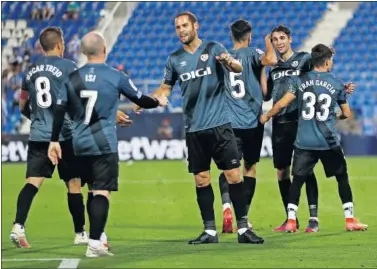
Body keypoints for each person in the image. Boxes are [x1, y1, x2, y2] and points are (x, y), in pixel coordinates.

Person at [138, 12, 264, 244]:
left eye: (185, 25)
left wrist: (228, 61)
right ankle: (210, 231)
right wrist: (155, 99)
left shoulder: (214, 48)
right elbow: (165, 88)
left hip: (220, 125)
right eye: (177, 27)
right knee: (201, 180)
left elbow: (237, 68)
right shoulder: (174, 59)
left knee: (234, 176)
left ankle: (243, 229)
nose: (181, 30)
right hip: (195, 129)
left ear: (195, 26)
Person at [48, 31, 168, 257]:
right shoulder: (115, 76)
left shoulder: (72, 78)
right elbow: (141, 99)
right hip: (103, 145)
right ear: (105, 50)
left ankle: (98, 237)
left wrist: (53, 141)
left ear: (83, 52)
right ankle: (94, 242)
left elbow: (60, 110)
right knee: (102, 192)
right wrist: (159, 101)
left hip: (79, 144)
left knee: (92, 190)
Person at [10, 27, 130, 249]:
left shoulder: (30, 71)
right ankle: (80, 233)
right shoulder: (70, 68)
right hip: (64, 135)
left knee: (32, 182)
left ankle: (18, 225)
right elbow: (85, 100)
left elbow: (23, 105)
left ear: (41, 47)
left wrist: (36, 119)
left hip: (37, 135)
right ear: (59, 45)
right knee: (74, 184)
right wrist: (112, 116)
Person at [260, 44, 368, 233]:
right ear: (327, 62)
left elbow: (281, 103)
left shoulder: (299, 80)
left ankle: (292, 221)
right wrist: (333, 116)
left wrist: (266, 116)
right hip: (328, 141)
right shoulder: (336, 83)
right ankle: (350, 219)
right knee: (342, 178)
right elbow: (346, 113)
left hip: (304, 140)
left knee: (297, 180)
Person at [217, 19, 278, 233]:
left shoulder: (224, 58)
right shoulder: (253, 53)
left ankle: (226, 207)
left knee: (228, 168)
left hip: (229, 122)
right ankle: (243, 215)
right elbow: (271, 59)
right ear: (249, 36)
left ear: (232, 36)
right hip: (252, 121)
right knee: (249, 168)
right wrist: (268, 41)